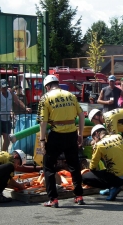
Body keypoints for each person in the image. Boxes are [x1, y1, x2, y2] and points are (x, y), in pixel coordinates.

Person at [37, 75, 85, 208]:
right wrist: (80, 134)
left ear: (47, 87)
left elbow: (43, 122)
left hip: (56, 135)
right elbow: (81, 115)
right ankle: (79, 196)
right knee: (74, 165)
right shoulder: (70, 95)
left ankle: (53, 199)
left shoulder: (45, 98)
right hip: (71, 134)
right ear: (57, 83)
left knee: (48, 167)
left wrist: (42, 141)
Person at [82, 125, 123, 201]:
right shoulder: (118, 136)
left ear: (97, 133)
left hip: (118, 178)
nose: (94, 140)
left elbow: (93, 166)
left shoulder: (99, 145)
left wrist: (95, 149)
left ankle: (113, 187)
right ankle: (110, 187)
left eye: (93, 138)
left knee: (84, 177)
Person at [0, 79, 32, 151]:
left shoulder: (10, 92)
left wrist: (25, 108)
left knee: (7, 138)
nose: (5, 89)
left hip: (6, 119)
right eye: (3, 87)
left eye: (6, 87)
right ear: (0, 87)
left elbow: (17, 101)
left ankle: (3, 154)